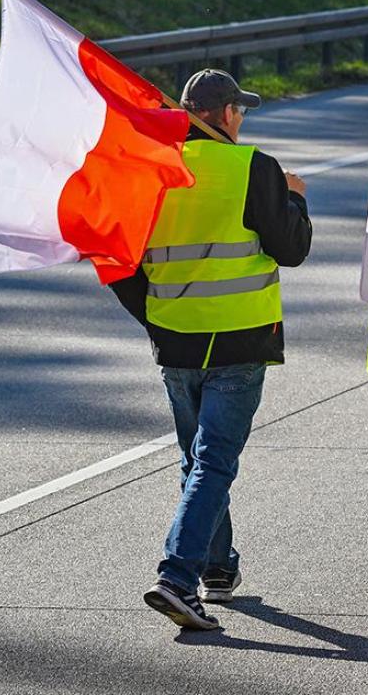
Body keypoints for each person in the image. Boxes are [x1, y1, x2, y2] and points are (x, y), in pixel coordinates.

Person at [111, 69, 312, 630]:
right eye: (240, 111)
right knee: (214, 460)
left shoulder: (154, 170)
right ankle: (177, 576)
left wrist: (156, 317)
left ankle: (217, 569)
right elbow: (291, 250)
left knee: (198, 461)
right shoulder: (254, 168)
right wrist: (294, 200)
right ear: (224, 115)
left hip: (176, 344)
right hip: (240, 341)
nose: (243, 119)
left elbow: (120, 260)